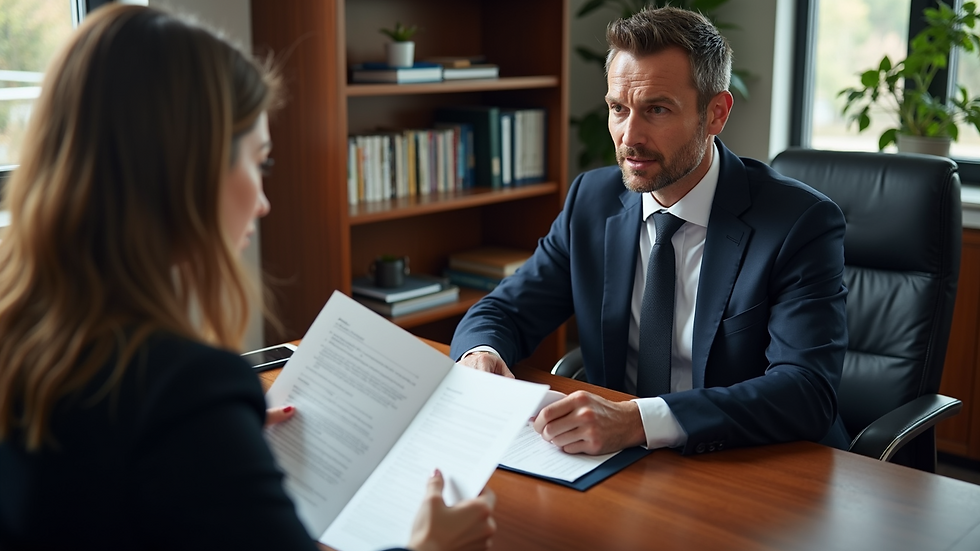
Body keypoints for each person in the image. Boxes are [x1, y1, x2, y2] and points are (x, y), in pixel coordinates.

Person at [0, 5, 494, 551]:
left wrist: (215, 451)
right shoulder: (186, 389)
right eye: (258, 161)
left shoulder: (24, 334)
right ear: (189, 172)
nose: (262, 203)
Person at [451, 6, 851, 457]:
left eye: (656, 109)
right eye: (618, 109)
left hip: (751, 466)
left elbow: (805, 391)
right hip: (616, 466)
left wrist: (637, 421)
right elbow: (505, 310)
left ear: (716, 114)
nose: (629, 136)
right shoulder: (592, 200)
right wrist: (479, 354)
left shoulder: (800, 223)